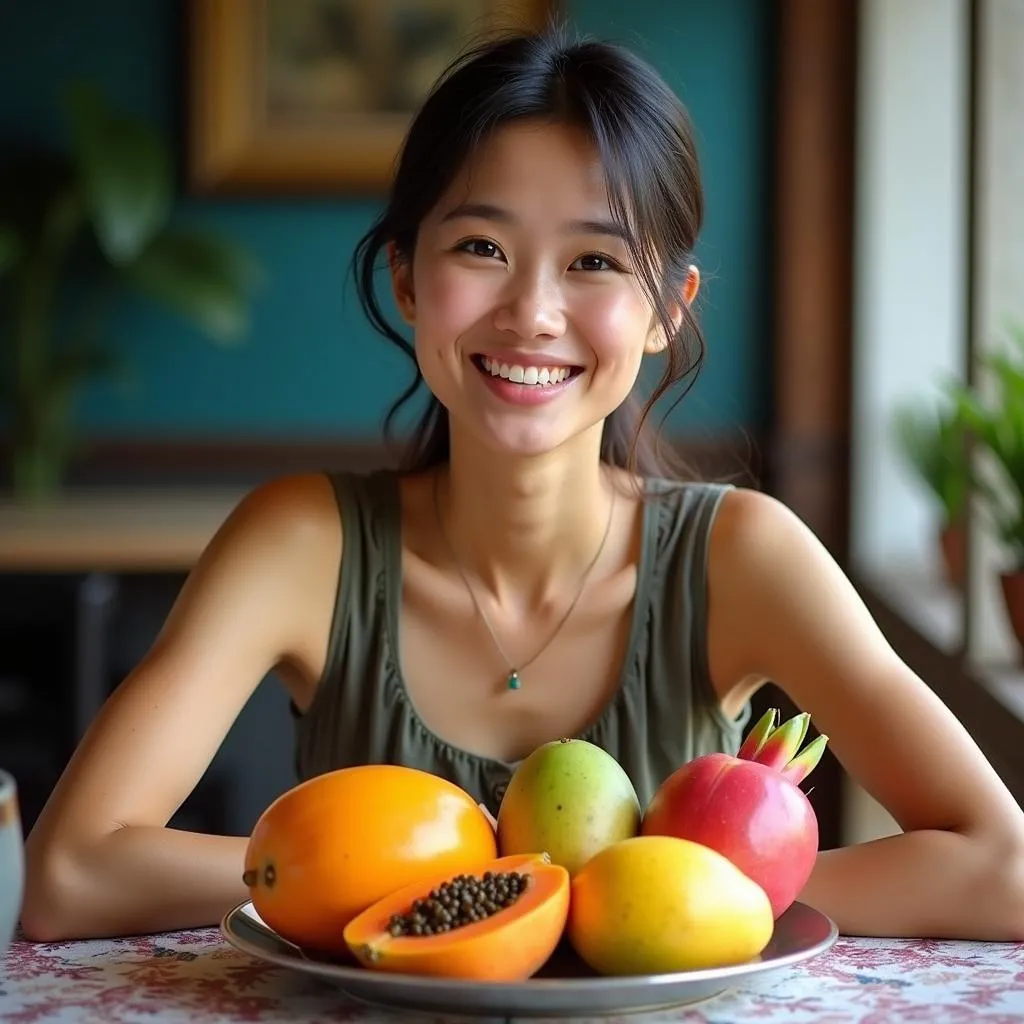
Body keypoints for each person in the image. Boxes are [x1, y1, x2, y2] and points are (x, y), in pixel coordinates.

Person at [20, 24, 1024, 946]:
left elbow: (1003, 867)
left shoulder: (740, 555)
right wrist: (480, 890)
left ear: (667, 308)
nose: (533, 312)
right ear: (408, 277)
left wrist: (631, 902)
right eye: (482, 249)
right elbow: (68, 872)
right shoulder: (301, 542)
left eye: (594, 259)